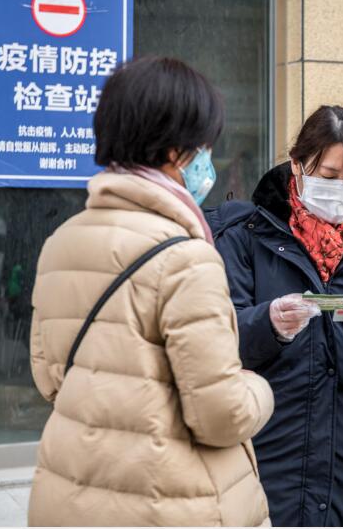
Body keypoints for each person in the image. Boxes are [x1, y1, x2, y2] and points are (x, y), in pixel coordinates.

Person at [28, 56, 274, 527]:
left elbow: (51, 381)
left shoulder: (62, 241)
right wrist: (260, 389)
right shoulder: (186, 257)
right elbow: (220, 415)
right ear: (174, 151)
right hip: (169, 501)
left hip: (70, 494)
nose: (208, 160)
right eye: (203, 145)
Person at [205, 105, 343, 527]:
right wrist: (268, 324)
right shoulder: (243, 236)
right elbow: (214, 342)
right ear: (297, 165)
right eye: (329, 177)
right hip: (268, 450)